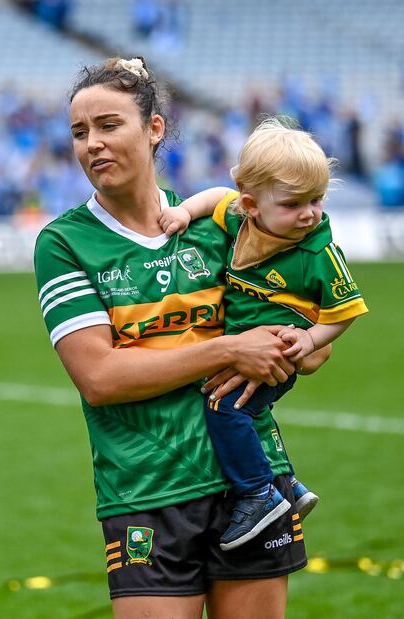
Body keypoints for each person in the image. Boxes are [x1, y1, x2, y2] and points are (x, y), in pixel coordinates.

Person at [33, 56, 332, 618]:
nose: (92, 144)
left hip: (254, 488)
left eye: (108, 125)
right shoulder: (64, 242)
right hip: (146, 492)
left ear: (153, 129)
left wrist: (293, 346)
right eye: (79, 132)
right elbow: (100, 378)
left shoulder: (221, 225)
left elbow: (314, 345)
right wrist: (228, 348)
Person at [158, 118, 368, 551]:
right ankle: (286, 483)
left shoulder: (318, 251)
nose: (310, 213)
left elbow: (346, 311)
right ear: (251, 204)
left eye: (317, 199)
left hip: (279, 352)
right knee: (249, 411)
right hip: (241, 346)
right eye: (294, 204)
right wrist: (183, 212)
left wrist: (310, 341)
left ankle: (258, 493)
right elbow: (219, 196)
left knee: (223, 405)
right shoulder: (240, 221)